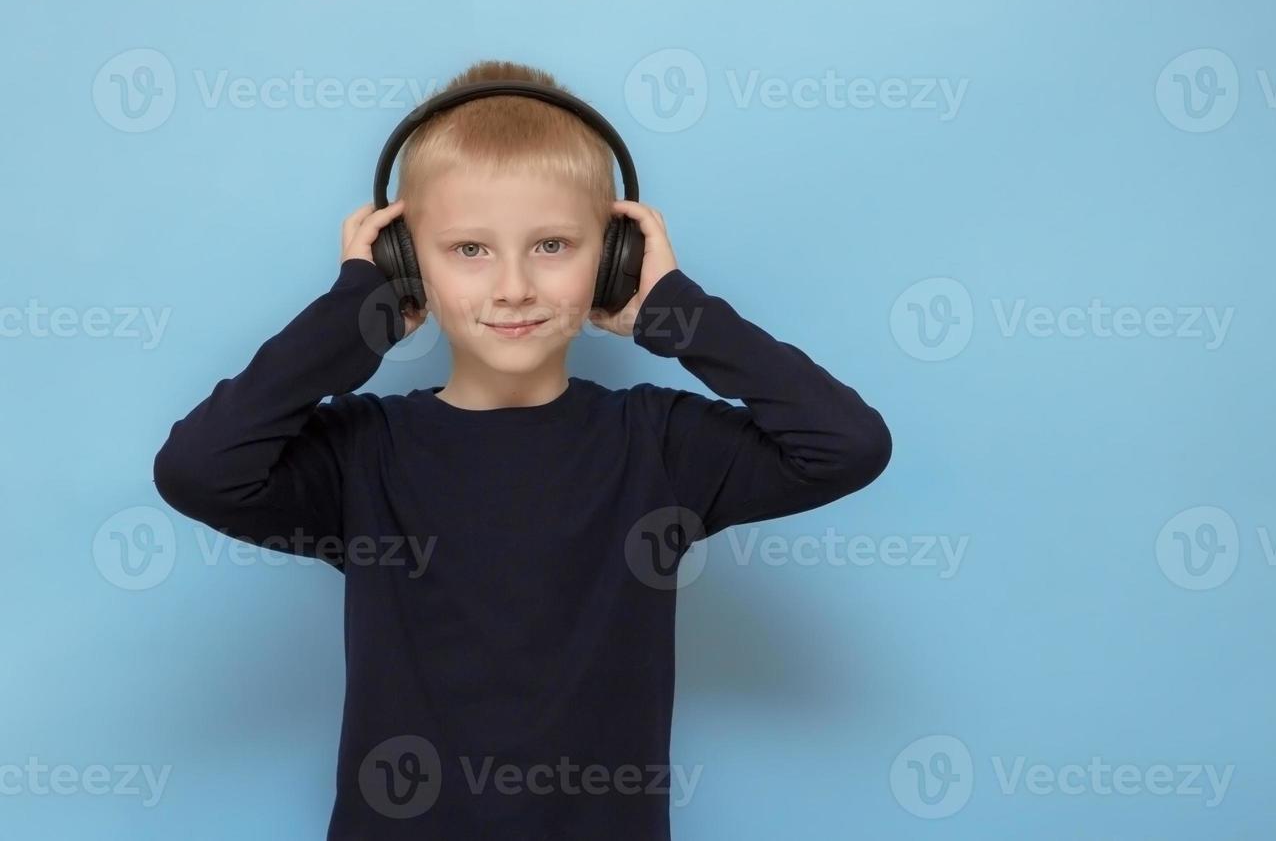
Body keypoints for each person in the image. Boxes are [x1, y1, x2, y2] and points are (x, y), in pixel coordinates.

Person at [151, 59, 893, 839]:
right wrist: (348, 318)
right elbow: (199, 469)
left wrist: (678, 312)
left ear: (613, 259)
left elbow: (845, 445)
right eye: (468, 249)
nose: (512, 286)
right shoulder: (363, 452)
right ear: (407, 264)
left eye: (552, 246)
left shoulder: (660, 446)